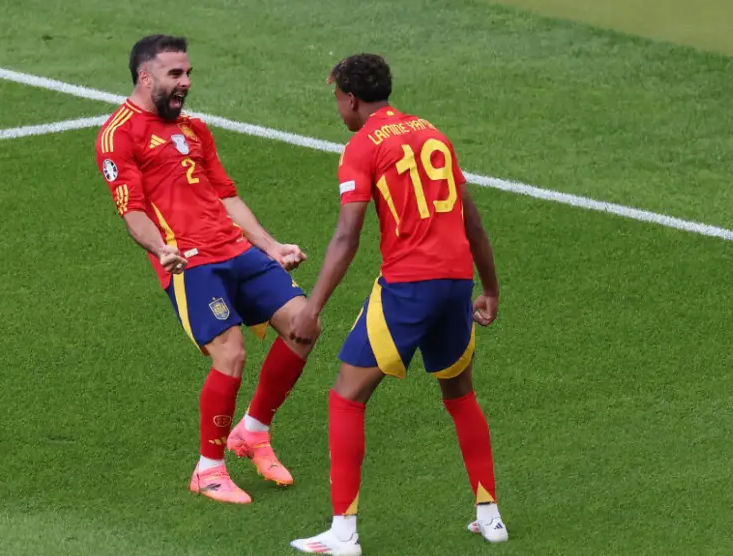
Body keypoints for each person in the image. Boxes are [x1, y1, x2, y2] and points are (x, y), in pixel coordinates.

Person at [287, 54, 508, 554]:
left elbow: (347, 237)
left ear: (350, 98)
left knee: (346, 396)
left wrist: (312, 307)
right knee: (459, 393)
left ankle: (343, 534)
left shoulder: (362, 147)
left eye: (337, 100)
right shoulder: (435, 135)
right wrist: (490, 289)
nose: (338, 110)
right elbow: (471, 220)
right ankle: (491, 516)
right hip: (456, 283)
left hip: (408, 286)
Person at [94, 34, 318, 505]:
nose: (186, 83)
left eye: (188, 73)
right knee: (231, 355)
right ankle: (209, 468)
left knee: (303, 324)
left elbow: (227, 196)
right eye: (176, 75)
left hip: (236, 250)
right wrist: (160, 249)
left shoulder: (195, 129)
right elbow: (131, 209)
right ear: (145, 76)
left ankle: (253, 432)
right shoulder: (119, 135)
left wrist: (272, 246)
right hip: (189, 261)